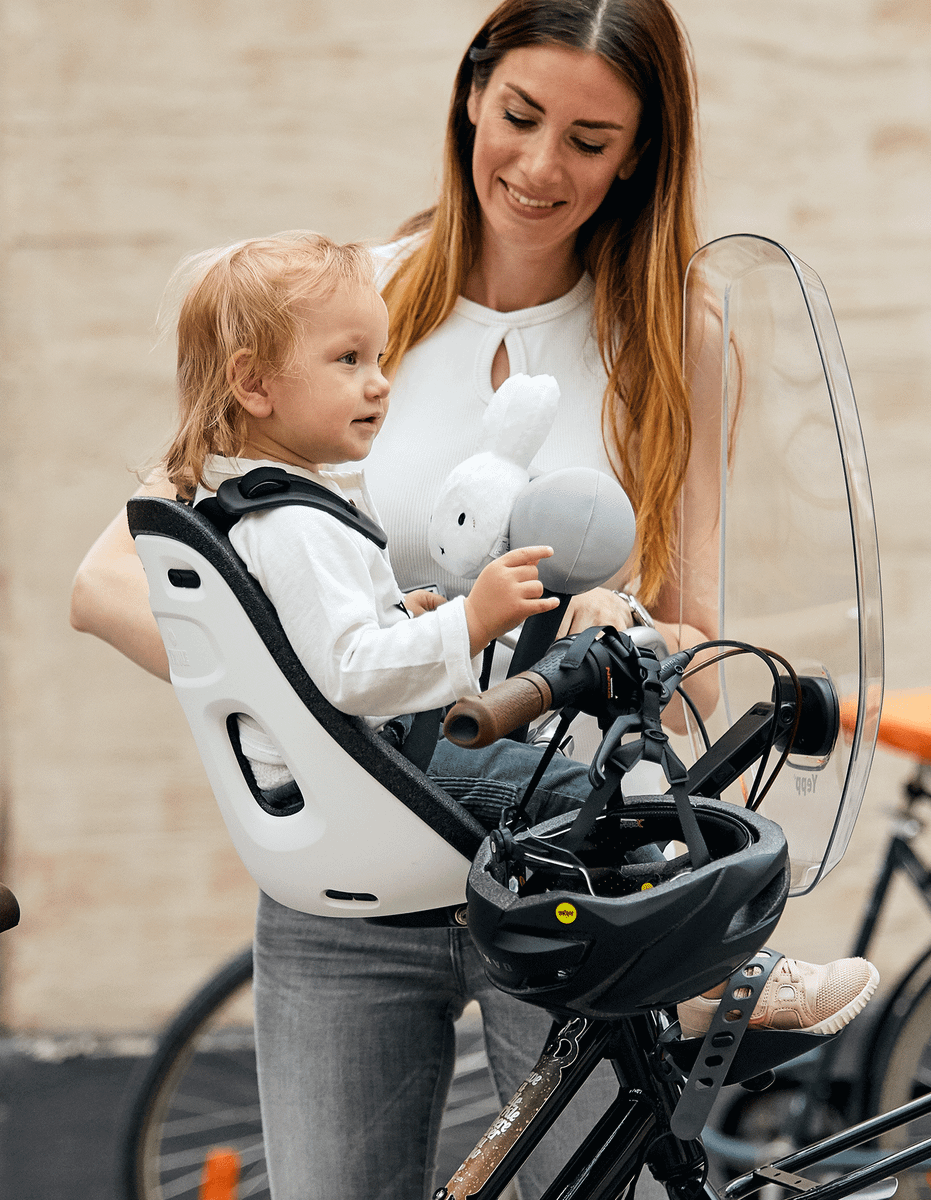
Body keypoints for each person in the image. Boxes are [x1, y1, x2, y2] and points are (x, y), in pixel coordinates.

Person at [71, 4, 877, 1197]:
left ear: (639, 155)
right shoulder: (350, 300)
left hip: (569, 888)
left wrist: (634, 634)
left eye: (591, 141)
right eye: (520, 116)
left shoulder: (677, 338)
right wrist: (313, 715)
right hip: (352, 883)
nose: (541, 166)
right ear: (469, 98)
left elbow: (692, 645)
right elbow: (110, 580)